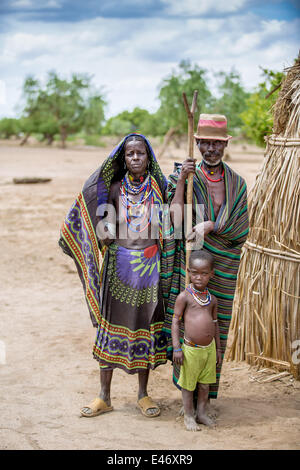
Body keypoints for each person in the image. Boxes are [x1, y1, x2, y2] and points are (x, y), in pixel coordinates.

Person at [59, 133, 173, 419]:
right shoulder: (113, 189)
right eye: (130, 154)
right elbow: (103, 225)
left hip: (148, 270)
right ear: (123, 159)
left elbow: (171, 219)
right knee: (109, 328)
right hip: (117, 266)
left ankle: (143, 395)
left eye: (141, 153)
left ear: (149, 157)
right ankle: (104, 396)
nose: (135, 158)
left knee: (145, 327)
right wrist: (105, 232)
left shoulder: (160, 186)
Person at [164, 113, 249, 405]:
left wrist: (211, 226)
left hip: (223, 266)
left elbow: (241, 228)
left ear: (224, 145)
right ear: (196, 143)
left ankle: (206, 399)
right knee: (188, 322)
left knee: (216, 327)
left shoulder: (238, 184)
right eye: (205, 144)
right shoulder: (185, 176)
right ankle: (188, 397)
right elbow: (175, 220)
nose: (211, 150)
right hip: (192, 260)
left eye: (217, 144)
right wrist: (181, 182)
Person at [172, 250, 221, 431]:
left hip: (209, 349)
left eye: (204, 273)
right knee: (188, 385)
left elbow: (215, 324)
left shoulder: (212, 300)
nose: (199, 277)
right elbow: (175, 322)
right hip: (191, 349)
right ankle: (189, 416)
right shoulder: (184, 297)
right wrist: (177, 347)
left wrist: (218, 350)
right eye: (194, 273)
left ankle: (201, 413)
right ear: (188, 272)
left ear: (211, 274)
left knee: (205, 385)